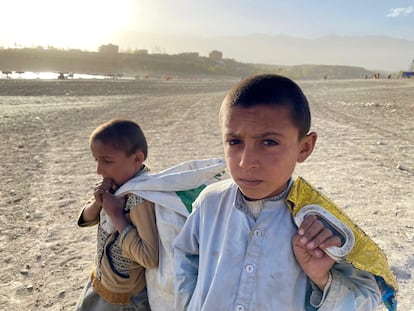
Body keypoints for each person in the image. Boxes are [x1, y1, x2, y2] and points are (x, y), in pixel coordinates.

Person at [173, 74, 397, 311]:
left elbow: (368, 298)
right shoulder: (209, 203)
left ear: (304, 147)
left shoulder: (319, 224)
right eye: (234, 142)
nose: (245, 162)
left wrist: (323, 279)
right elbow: (185, 259)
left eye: (269, 142)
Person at [75, 119, 158, 311]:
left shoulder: (140, 198)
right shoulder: (118, 183)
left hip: (123, 300)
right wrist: (97, 203)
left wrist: (117, 217)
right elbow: (85, 221)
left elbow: (149, 257)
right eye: (97, 161)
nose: (99, 170)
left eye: (107, 161)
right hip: (100, 283)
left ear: (137, 159)